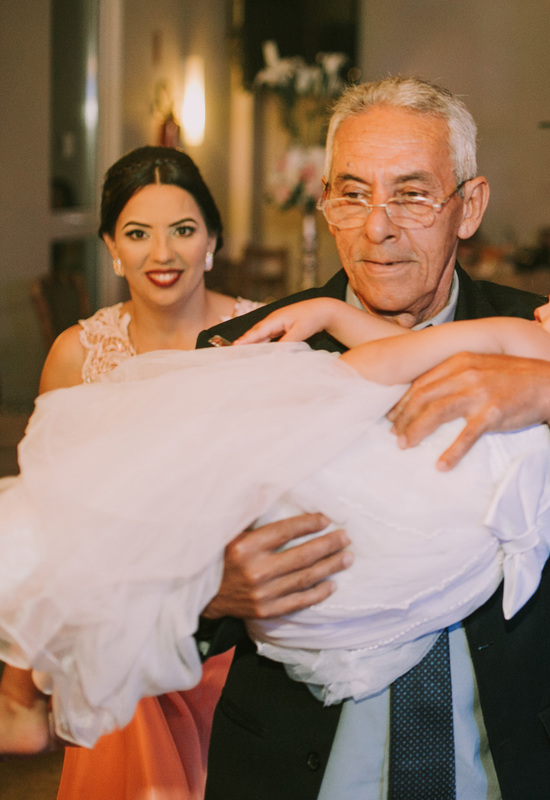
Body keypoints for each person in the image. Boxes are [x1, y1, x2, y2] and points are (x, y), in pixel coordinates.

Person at [0, 252, 550, 760]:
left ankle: (27, 678)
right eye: (354, 192)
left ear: (468, 204)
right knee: (180, 528)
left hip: (376, 499)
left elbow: (397, 359)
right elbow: (424, 348)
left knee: (149, 487)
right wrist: (331, 308)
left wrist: (311, 394)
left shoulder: (535, 346)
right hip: (413, 577)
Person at [186, 75, 550, 800]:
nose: (378, 226)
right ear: (326, 204)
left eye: (411, 194)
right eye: (353, 193)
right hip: (302, 762)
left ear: (470, 206)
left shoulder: (546, 337)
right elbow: (134, 564)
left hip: (508, 762)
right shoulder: (254, 348)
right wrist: (209, 590)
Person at [22, 145, 259, 800]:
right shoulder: (76, 356)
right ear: (111, 247)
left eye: (183, 230)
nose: (162, 253)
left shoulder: (262, 339)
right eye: (137, 233)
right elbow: (49, 515)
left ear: (211, 242)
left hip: (239, 634)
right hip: (122, 635)